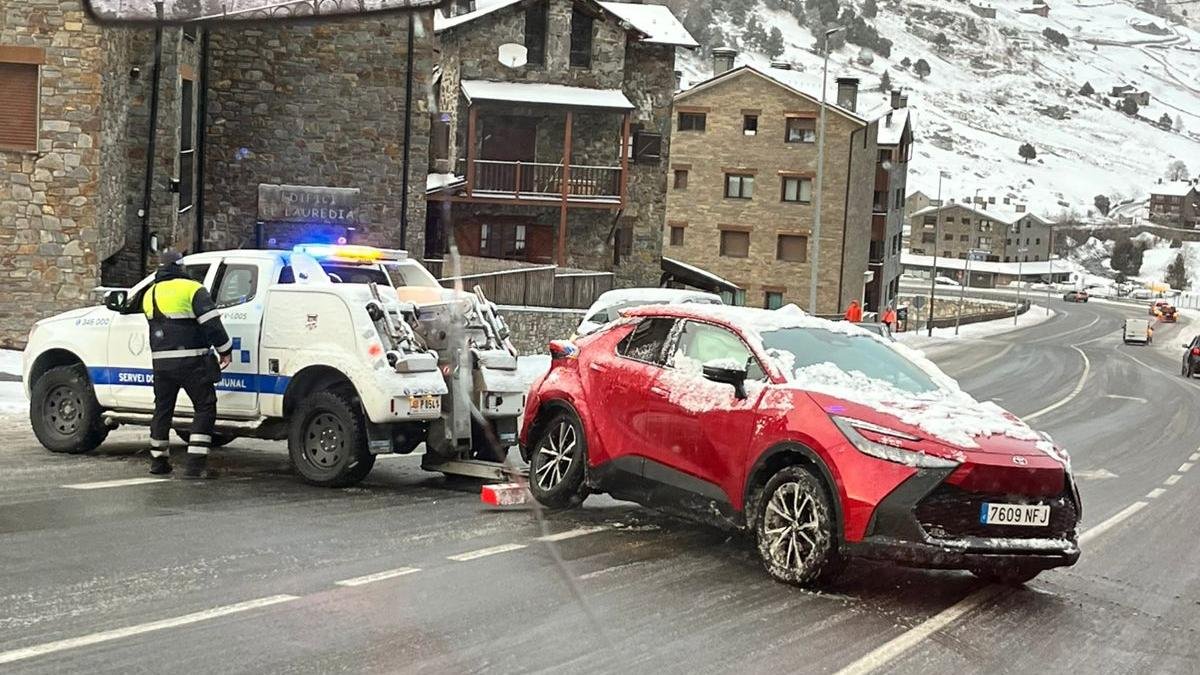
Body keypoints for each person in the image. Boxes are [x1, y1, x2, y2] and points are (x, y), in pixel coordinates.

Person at [143, 251, 233, 478]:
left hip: (161, 364)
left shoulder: (150, 293)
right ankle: (195, 465)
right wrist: (225, 350)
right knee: (204, 406)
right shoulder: (192, 289)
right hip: (192, 361)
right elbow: (212, 325)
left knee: (163, 409)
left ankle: (158, 462)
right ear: (181, 267)